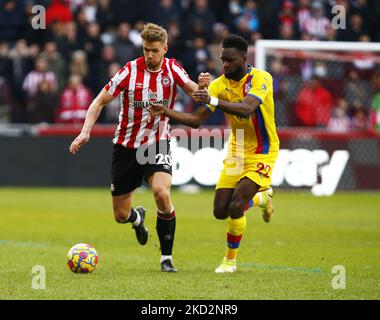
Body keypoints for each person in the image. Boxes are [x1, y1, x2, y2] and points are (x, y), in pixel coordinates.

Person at [69, 23, 204, 272]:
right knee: (121, 215)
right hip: (126, 146)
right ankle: (137, 218)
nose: (149, 55)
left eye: (154, 50)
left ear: (165, 48)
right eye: (145, 50)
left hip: (157, 142)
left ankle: (166, 259)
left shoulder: (173, 69)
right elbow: (99, 101)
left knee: (162, 194)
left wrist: (205, 89)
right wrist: (85, 131)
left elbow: (195, 92)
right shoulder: (129, 71)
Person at [149, 34, 279, 273]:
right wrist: (165, 111)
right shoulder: (219, 85)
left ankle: (230, 261)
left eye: (229, 60)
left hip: (262, 150)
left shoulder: (261, 78)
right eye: (222, 60)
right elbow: (197, 120)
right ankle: (264, 198)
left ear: (243, 58)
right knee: (220, 211)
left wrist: (212, 99)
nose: (225, 65)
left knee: (236, 206)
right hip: (236, 149)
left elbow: (247, 108)